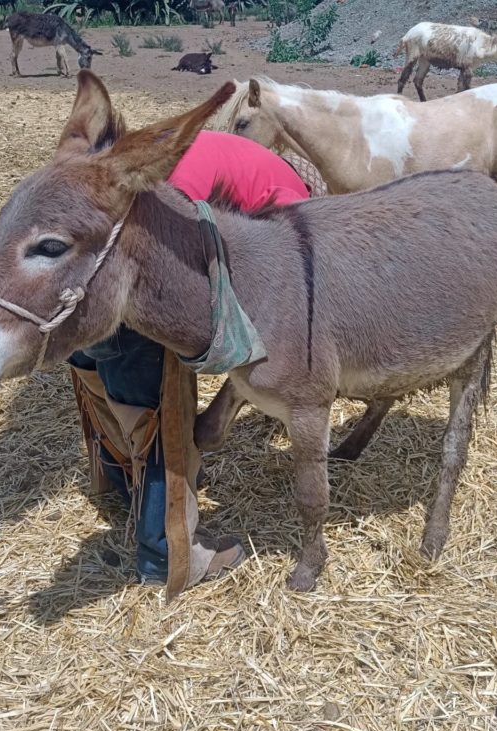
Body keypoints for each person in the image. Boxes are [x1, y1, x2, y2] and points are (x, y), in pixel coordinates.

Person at [69, 130, 324, 599]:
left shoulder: (192, 152)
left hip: (82, 270)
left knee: (104, 383)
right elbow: (289, 264)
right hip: (137, 274)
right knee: (157, 406)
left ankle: (122, 486)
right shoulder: (293, 192)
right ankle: (165, 554)